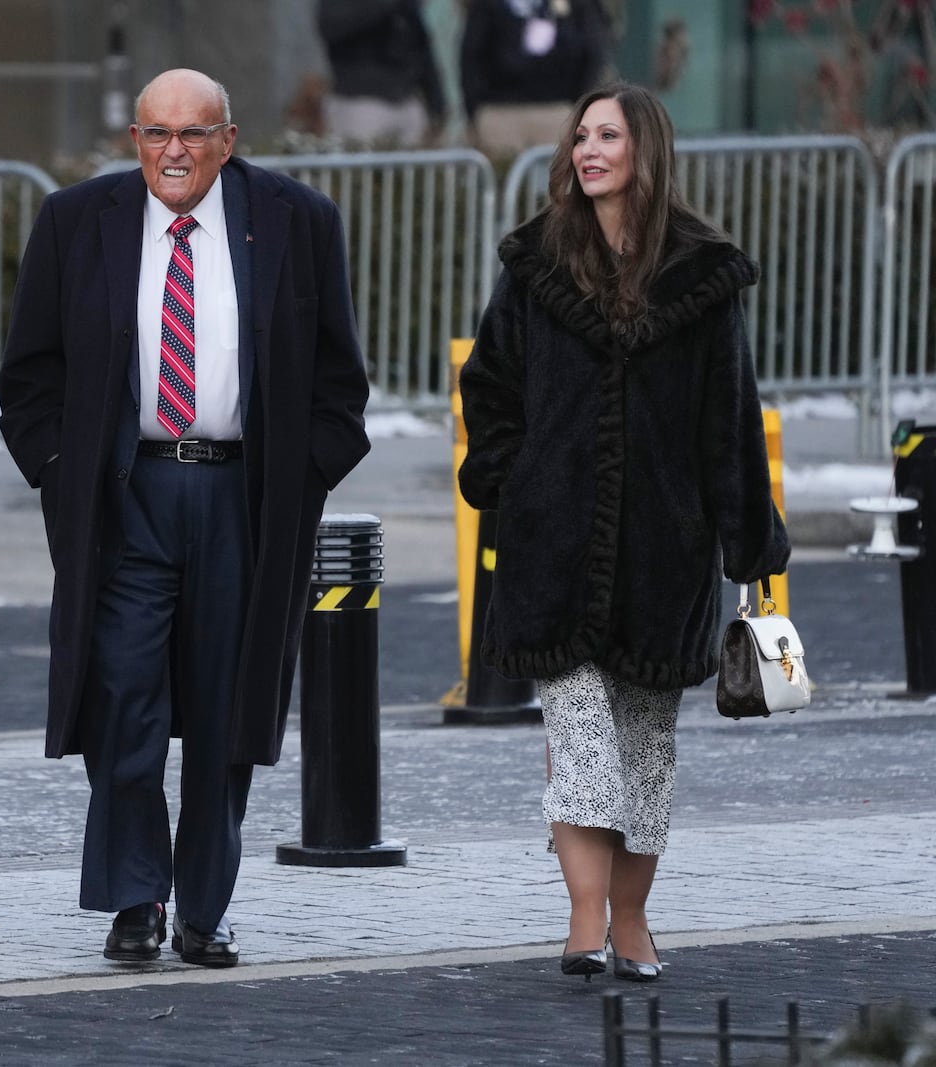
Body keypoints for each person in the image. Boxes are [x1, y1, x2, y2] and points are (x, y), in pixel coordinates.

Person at [0, 68, 370, 968]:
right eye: (158, 133)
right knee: (120, 695)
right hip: (128, 496)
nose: (175, 151)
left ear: (228, 141)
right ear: (134, 140)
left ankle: (205, 905)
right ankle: (136, 895)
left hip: (242, 497)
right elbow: (30, 377)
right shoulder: (75, 222)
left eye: (195, 134)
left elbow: (338, 385)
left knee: (223, 709)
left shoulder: (297, 220)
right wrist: (60, 474)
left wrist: (298, 484)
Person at [456, 83, 790, 983]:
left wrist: (747, 534)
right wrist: (506, 472)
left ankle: (633, 922)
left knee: (648, 751)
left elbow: (730, 414)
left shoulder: (702, 273)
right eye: (580, 136)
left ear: (645, 148)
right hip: (551, 543)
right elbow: (490, 382)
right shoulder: (535, 262)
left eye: (607, 135)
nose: (587, 149)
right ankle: (583, 918)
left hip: (664, 552)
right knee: (587, 750)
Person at [459, 0, 613, 159]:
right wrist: (476, 112)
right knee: (502, 177)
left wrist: (579, 107)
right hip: (500, 111)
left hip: (556, 110)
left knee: (557, 178)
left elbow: (592, 52)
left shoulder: (572, 6)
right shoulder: (488, 7)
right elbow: (471, 57)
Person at [318, 0, 448, 147]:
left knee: (411, 166)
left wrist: (437, 104)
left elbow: (421, 50)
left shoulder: (405, 9)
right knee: (361, 164)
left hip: (406, 100)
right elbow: (330, 26)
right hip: (359, 100)